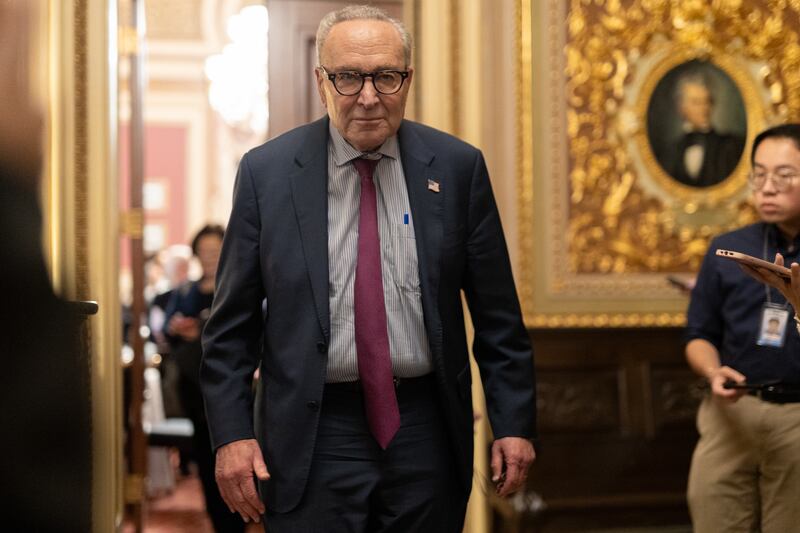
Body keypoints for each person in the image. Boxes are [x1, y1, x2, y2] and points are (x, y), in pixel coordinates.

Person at [200, 5, 537, 532]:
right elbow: (229, 332)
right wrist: (231, 435)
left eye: (386, 76)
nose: (368, 96)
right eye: (349, 77)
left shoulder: (456, 168)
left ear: (407, 78)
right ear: (321, 81)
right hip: (312, 434)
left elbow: (499, 320)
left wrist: (514, 423)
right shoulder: (267, 175)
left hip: (425, 430)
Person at [684, 124, 800, 533]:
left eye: (785, 176)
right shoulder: (726, 248)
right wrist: (714, 372)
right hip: (732, 411)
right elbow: (698, 334)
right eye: (759, 174)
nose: (767, 187)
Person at [163, 224, 243, 532]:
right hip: (194, 394)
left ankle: (239, 522)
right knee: (206, 466)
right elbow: (169, 333)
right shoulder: (185, 292)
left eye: (215, 250)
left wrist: (201, 332)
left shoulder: (235, 286)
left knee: (235, 459)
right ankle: (219, 523)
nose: (209, 257)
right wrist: (178, 330)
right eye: (204, 251)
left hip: (232, 390)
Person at [657, 72, 744, 187]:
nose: (704, 109)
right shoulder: (670, 151)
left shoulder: (730, 146)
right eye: (696, 102)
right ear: (682, 107)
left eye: (707, 101)